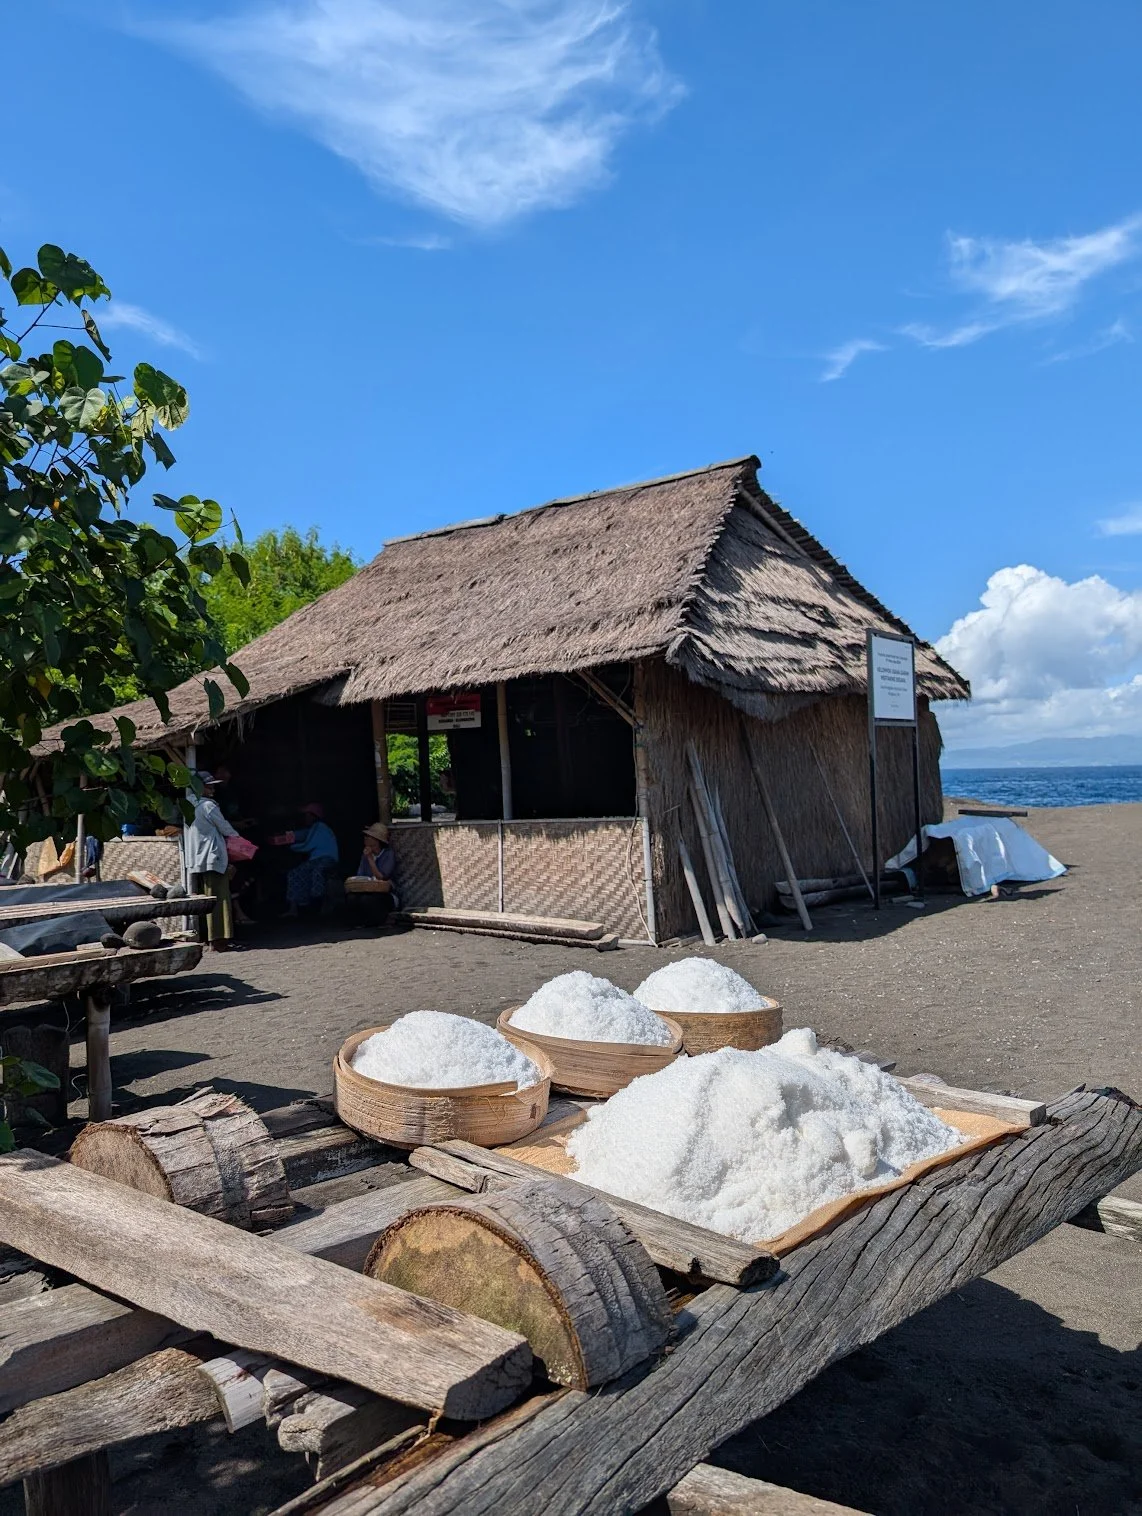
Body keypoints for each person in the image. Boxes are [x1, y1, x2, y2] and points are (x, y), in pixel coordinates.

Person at [183, 773, 240, 951]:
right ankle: (218, 940)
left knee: (204, 898)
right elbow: (225, 828)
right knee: (219, 899)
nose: (213, 790)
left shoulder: (188, 804)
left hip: (196, 857)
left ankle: (209, 938)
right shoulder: (208, 806)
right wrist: (239, 839)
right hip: (212, 857)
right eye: (209, 787)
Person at [276, 802, 340, 916]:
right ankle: (294, 908)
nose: (305, 818)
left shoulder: (320, 827)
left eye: (307, 815)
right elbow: (299, 835)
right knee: (295, 872)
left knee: (317, 872)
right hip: (316, 860)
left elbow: (308, 845)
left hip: (327, 859)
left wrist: (292, 847)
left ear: (314, 816)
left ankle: (320, 902)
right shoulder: (313, 828)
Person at [346, 823, 397, 928]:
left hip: (385, 893)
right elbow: (360, 875)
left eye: (369, 837)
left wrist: (370, 858)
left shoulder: (388, 854)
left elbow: (381, 877)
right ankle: (360, 922)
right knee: (352, 898)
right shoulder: (364, 856)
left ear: (377, 840)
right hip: (367, 889)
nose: (366, 839)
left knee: (369, 900)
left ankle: (380, 920)